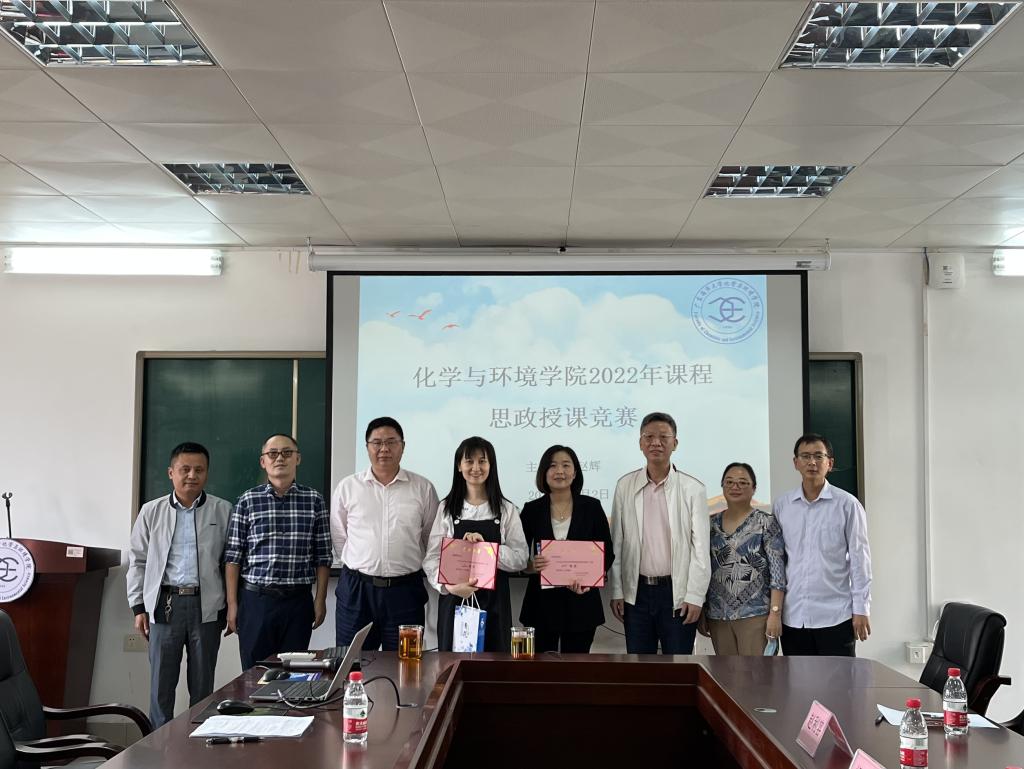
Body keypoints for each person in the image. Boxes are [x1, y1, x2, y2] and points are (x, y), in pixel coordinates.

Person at [126, 442, 232, 728]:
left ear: (207, 473)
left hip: (206, 606)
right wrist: (138, 606)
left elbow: (231, 563)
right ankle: (159, 746)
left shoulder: (223, 511)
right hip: (164, 605)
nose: (192, 476)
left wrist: (230, 606)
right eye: (185, 469)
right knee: (161, 687)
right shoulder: (151, 511)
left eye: (199, 470)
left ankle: (197, 744)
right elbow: (137, 561)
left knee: (203, 687)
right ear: (171, 472)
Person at [331, 416, 440, 651]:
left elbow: (431, 538)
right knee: (352, 662)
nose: (384, 449)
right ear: (367, 447)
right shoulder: (348, 487)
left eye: (391, 442)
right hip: (357, 591)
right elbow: (340, 537)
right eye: (377, 442)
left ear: (403, 446)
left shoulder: (423, 488)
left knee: (406, 664)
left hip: (405, 592)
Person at [224, 434, 332, 669]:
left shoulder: (314, 500)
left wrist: (320, 599)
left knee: (294, 674)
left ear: (298, 459)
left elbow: (323, 556)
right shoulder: (247, 501)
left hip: (298, 603)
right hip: (256, 601)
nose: (279, 458)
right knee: (254, 675)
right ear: (263, 461)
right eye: (272, 454)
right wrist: (232, 604)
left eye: (287, 453)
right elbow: (233, 557)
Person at [608, 412, 710, 655]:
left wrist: (695, 596)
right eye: (649, 437)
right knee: (640, 667)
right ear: (640, 443)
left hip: (677, 593)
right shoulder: (625, 486)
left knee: (679, 666)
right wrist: (617, 591)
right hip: (637, 594)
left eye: (664, 437)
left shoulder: (692, 488)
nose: (656, 443)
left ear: (675, 443)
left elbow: (700, 549)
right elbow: (617, 544)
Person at [423, 436, 529, 652]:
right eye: (469, 461)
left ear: (491, 465)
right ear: (459, 466)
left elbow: (521, 558)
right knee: (453, 664)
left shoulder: (506, 509)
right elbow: (432, 558)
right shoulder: (446, 508)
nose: (476, 468)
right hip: (455, 599)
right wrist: (449, 587)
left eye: (482, 461)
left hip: (496, 602)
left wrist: (487, 550)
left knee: (495, 664)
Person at [773, 433, 872, 657]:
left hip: (836, 615)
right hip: (794, 616)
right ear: (795, 462)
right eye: (805, 456)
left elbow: (860, 560)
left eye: (819, 456)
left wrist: (861, 608)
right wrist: (775, 611)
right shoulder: (782, 506)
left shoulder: (847, 505)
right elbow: (777, 561)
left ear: (830, 463)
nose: (812, 462)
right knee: (797, 679)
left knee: (839, 679)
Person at [519, 445, 614, 653]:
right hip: (541, 606)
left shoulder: (592, 507)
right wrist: (531, 566)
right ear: (543, 472)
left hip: (582, 604)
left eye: (565, 465)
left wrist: (589, 580)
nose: (559, 471)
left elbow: (607, 553)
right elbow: (517, 555)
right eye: (552, 466)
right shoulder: (531, 510)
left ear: (575, 472)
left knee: (576, 667)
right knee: (541, 667)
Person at [698, 463, 786, 656]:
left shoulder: (765, 523)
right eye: (729, 482)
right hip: (718, 617)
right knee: (725, 673)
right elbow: (702, 570)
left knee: (758, 674)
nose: (735, 487)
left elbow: (778, 574)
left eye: (743, 482)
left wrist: (775, 613)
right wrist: (703, 609)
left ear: (754, 488)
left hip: (756, 616)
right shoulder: (710, 525)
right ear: (722, 486)